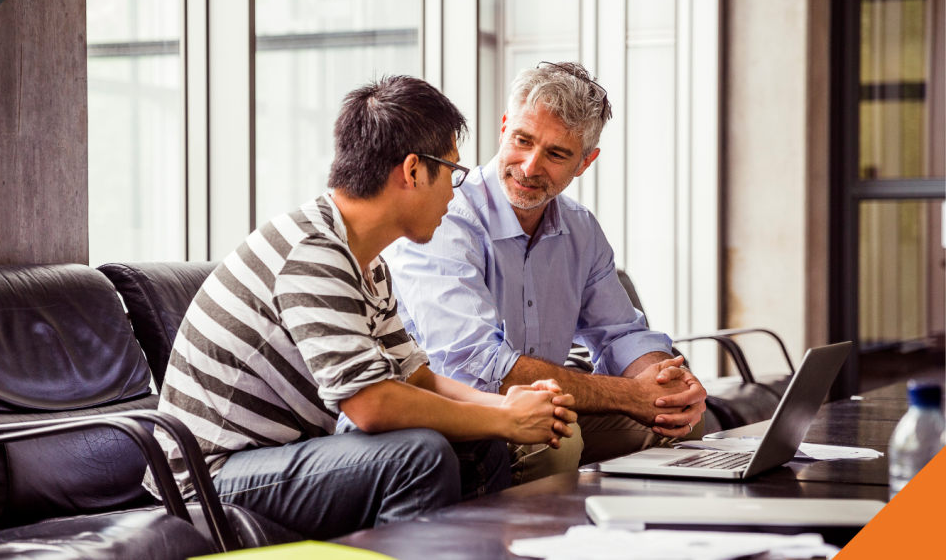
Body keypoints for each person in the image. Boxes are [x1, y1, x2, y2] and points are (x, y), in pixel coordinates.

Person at [143, 75, 578, 540]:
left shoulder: (366, 262)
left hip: (277, 459)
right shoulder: (312, 253)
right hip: (206, 480)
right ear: (412, 171)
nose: (455, 193)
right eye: (452, 172)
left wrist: (505, 407)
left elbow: (417, 380)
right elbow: (371, 404)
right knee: (420, 456)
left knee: (483, 445)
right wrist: (506, 417)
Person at [385, 62, 708, 485]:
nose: (530, 166)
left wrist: (668, 383)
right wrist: (633, 395)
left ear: (585, 162)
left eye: (557, 154)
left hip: (545, 408)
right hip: (458, 411)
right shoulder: (445, 216)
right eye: (523, 140)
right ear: (504, 128)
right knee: (557, 437)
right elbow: (477, 365)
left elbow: (622, 333)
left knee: (678, 422)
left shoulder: (580, 228)